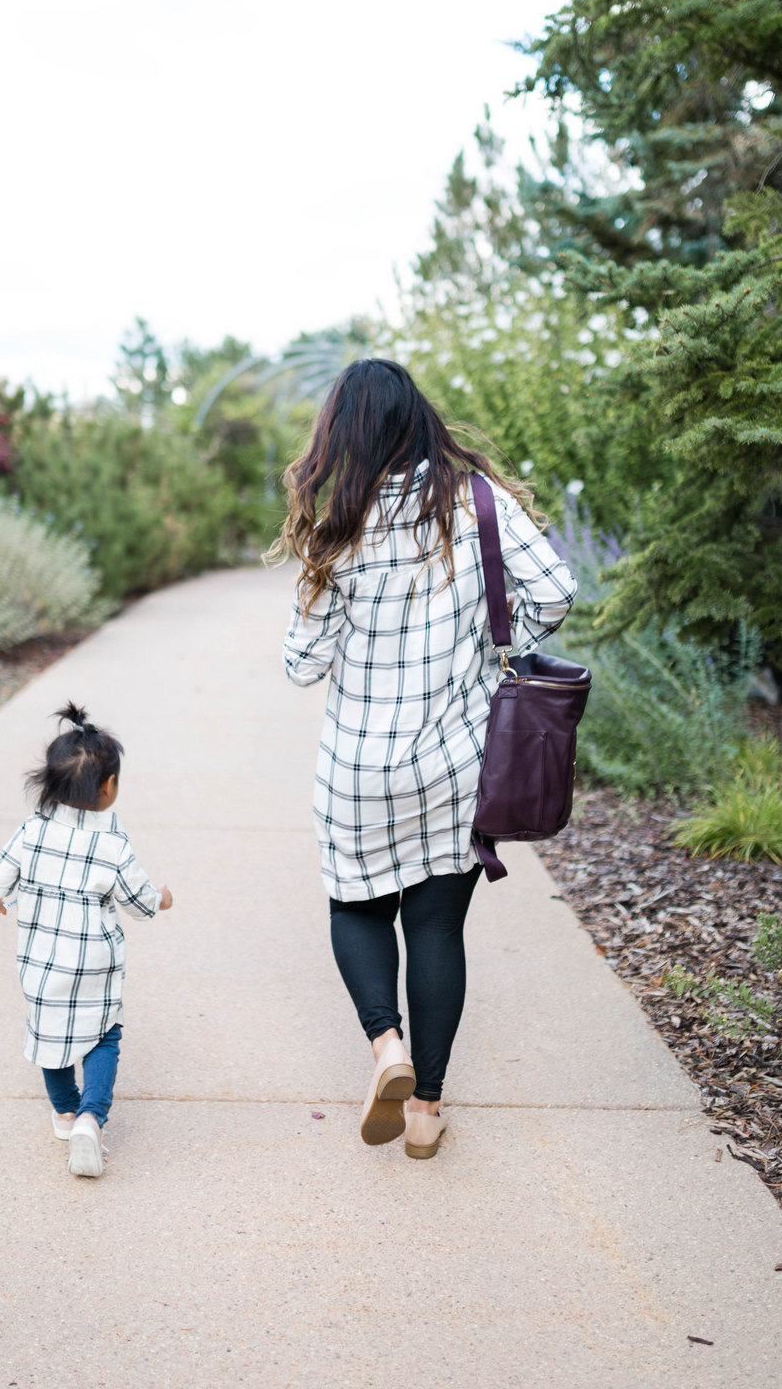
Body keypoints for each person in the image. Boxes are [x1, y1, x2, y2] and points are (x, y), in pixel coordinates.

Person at [272, 361, 576, 1158]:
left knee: (356, 905)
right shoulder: (477, 503)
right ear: (418, 420)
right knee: (437, 927)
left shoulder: (335, 522)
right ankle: (426, 1115)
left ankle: (387, 1050)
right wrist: (492, 653)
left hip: (358, 768)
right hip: (457, 761)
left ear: (342, 434)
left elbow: (302, 664)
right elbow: (556, 590)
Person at [0, 701, 172, 1178]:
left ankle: (66, 1111)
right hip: (96, 964)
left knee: (52, 1033)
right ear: (109, 787)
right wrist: (163, 898)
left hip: (42, 963)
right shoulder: (112, 844)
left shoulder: (31, 831)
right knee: (103, 1035)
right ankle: (91, 1116)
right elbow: (139, 903)